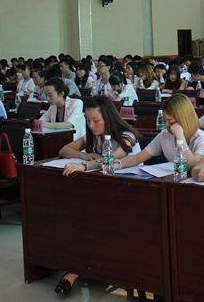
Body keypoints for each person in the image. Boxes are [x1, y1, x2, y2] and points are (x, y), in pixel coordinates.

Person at [54, 96, 141, 296]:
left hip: (132, 194)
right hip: (105, 194)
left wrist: (84, 165)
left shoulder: (127, 135)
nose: (91, 125)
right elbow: (64, 150)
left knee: (92, 220)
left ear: (108, 118)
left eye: (96, 120)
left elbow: (110, 159)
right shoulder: (93, 135)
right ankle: (78, 268)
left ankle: (75, 272)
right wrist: (85, 155)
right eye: (88, 120)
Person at [118, 94, 204, 169]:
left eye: (171, 122)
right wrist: (118, 164)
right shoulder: (165, 134)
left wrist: (180, 137)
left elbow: (191, 166)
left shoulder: (202, 138)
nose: (167, 126)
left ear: (184, 119)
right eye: (164, 121)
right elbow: (137, 158)